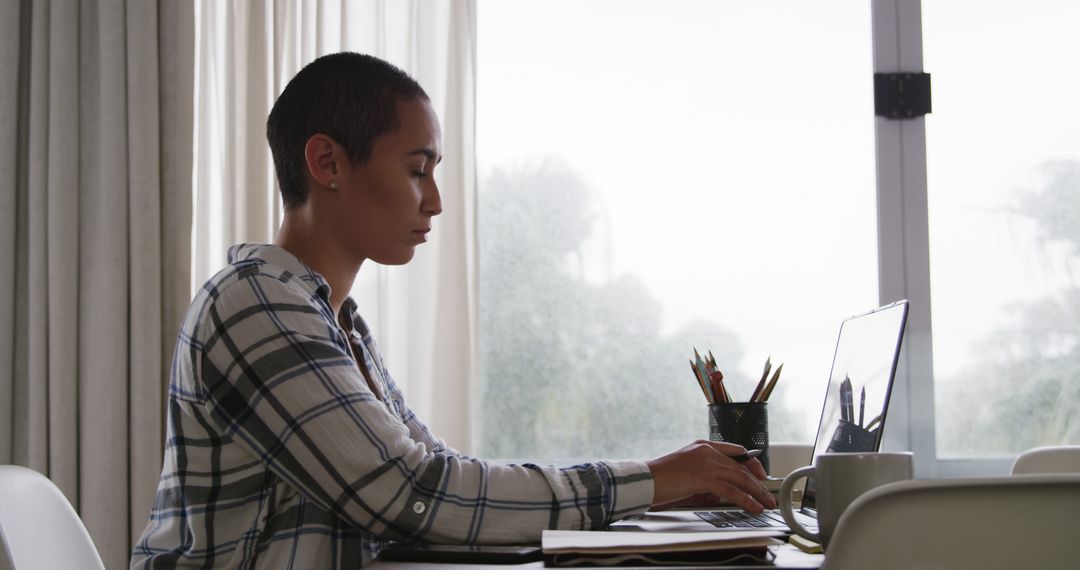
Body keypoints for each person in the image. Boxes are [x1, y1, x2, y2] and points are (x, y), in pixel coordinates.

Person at [130, 52, 775, 569]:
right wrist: (652, 480)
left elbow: (439, 474)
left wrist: (659, 491)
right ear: (327, 162)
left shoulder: (334, 321)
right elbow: (412, 493)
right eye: (418, 170)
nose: (434, 201)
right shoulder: (256, 304)